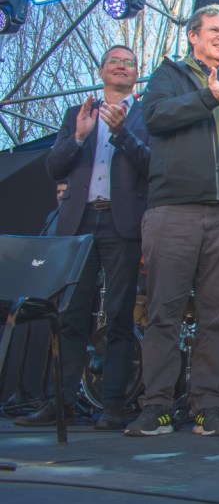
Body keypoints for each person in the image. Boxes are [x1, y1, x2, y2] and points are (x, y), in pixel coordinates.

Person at [126, 4, 219, 437]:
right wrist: (209, 97)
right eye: (215, 30)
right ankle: (155, 407)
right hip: (173, 209)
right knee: (164, 313)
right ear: (193, 36)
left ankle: (207, 408)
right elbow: (154, 119)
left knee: (218, 316)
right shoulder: (169, 76)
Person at [16, 46, 149, 431]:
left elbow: (152, 166)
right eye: (115, 61)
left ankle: (112, 406)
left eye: (129, 63)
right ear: (102, 70)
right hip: (78, 223)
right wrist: (77, 137)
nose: (122, 67)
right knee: (71, 315)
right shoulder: (79, 113)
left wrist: (122, 134)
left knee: (121, 316)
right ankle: (62, 402)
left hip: (122, 223)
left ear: (136, 75)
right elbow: (53, 166)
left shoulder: (145, 117)